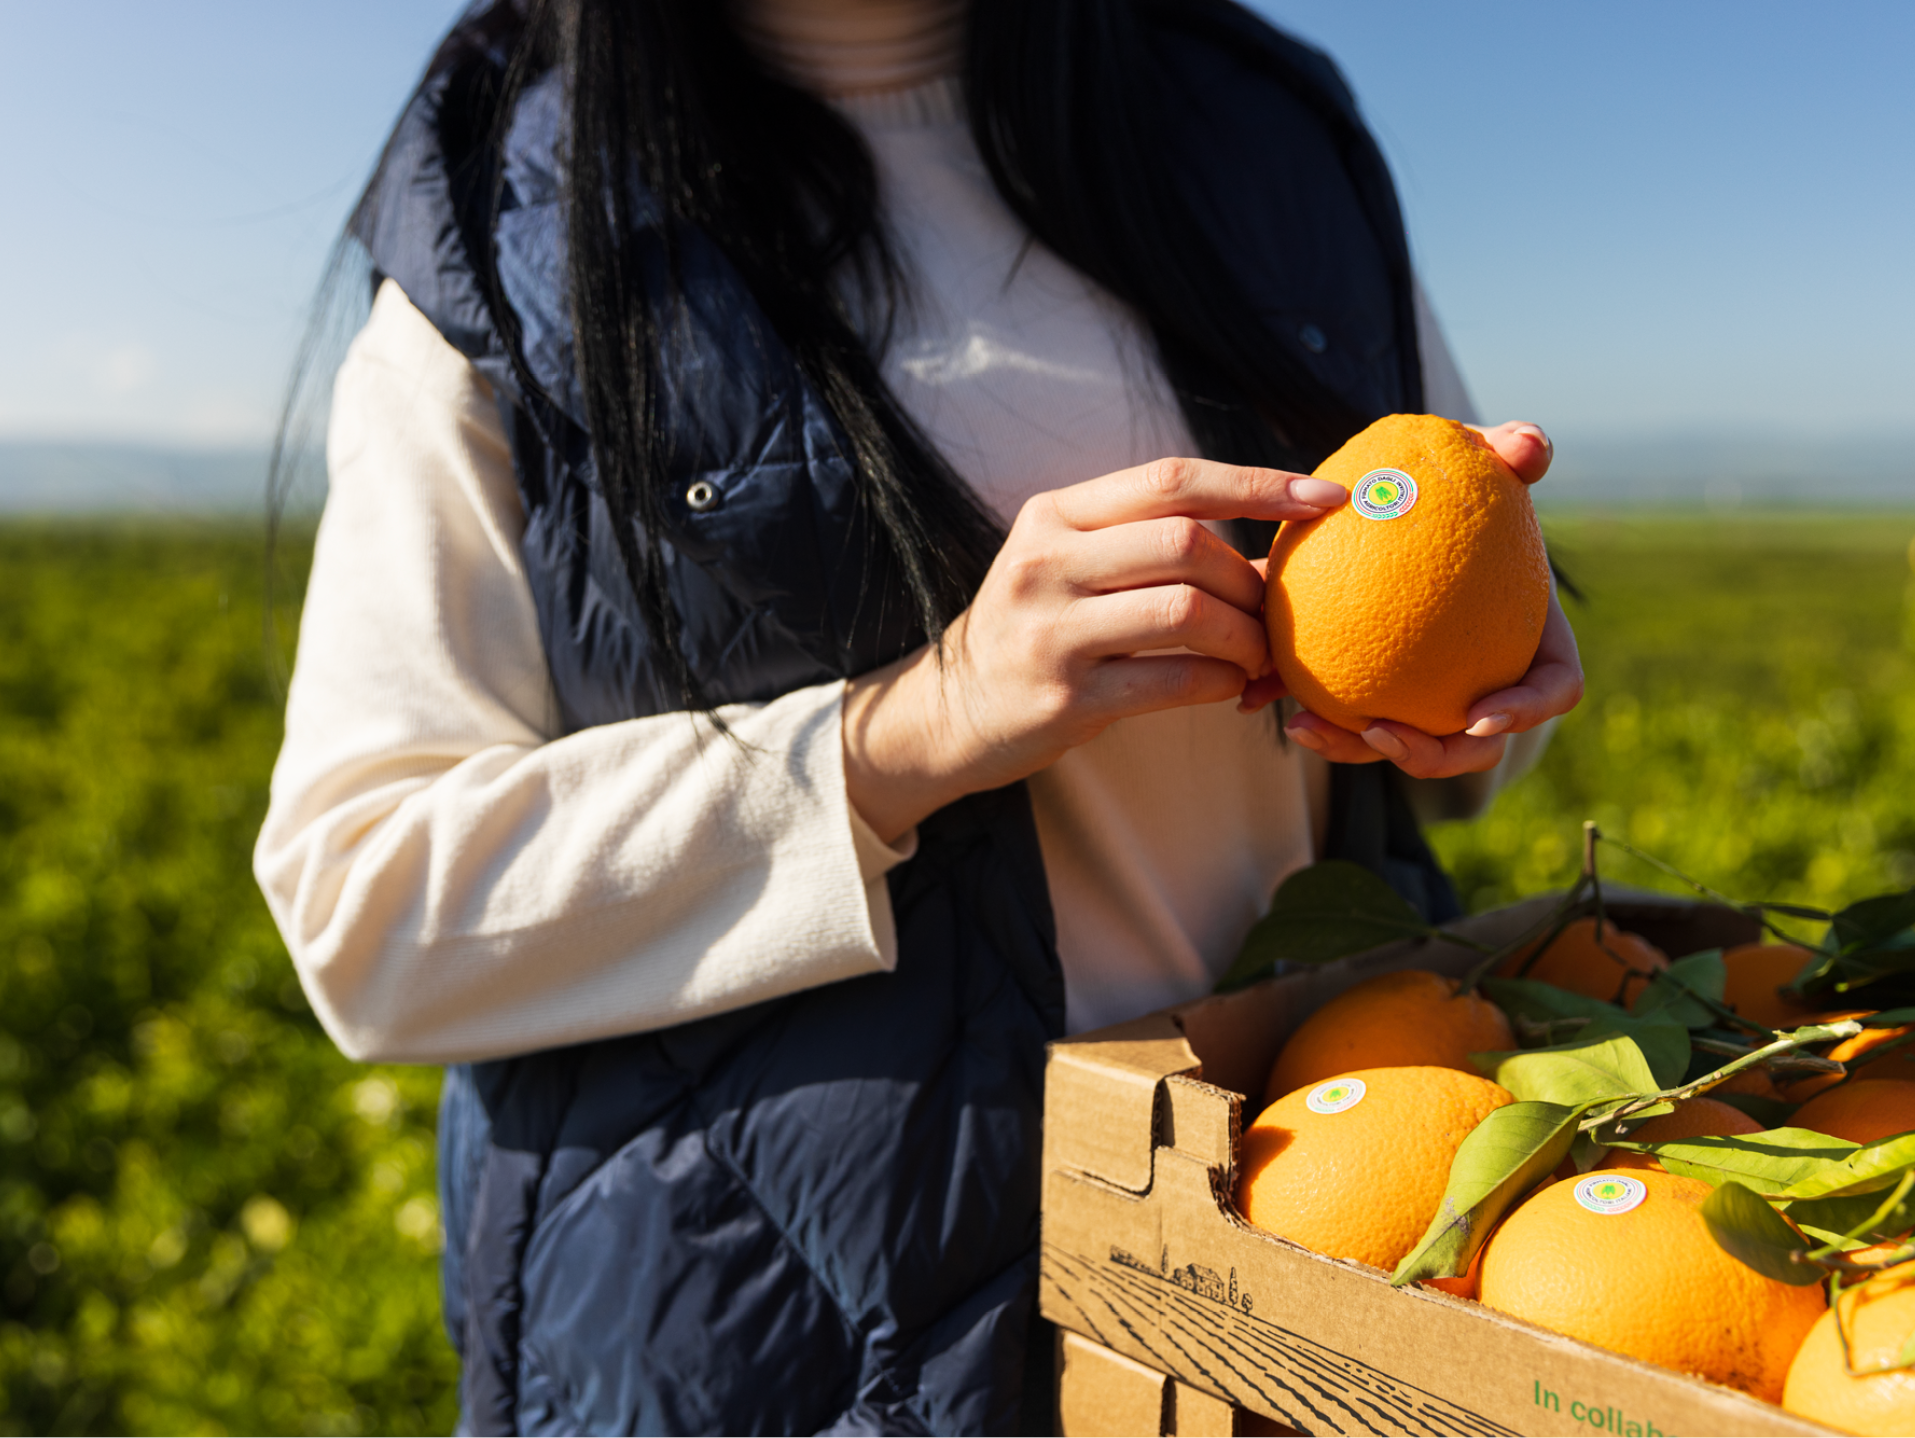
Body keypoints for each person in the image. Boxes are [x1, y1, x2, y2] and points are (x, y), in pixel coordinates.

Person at [255, 0, 1583, 1431]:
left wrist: (1474, 691)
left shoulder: (1259, 127)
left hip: (1286, 1259)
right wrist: (912, 729)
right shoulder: (518, 206)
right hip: (769, 1340)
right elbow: (366, 905)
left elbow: (1453, 714)